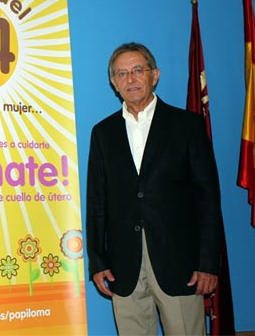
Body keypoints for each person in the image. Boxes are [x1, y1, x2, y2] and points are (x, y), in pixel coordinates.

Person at [86, 42, 223, 335]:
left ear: (155, 75)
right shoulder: (103, 133)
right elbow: (97, 201)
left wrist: (208, 263)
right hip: (124, 265)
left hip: (181, 266)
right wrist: (97, 261)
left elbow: (207, 199)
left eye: (138, 70)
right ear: (113, 82)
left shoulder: (187, 125)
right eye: (121, 74)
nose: (130, 79)